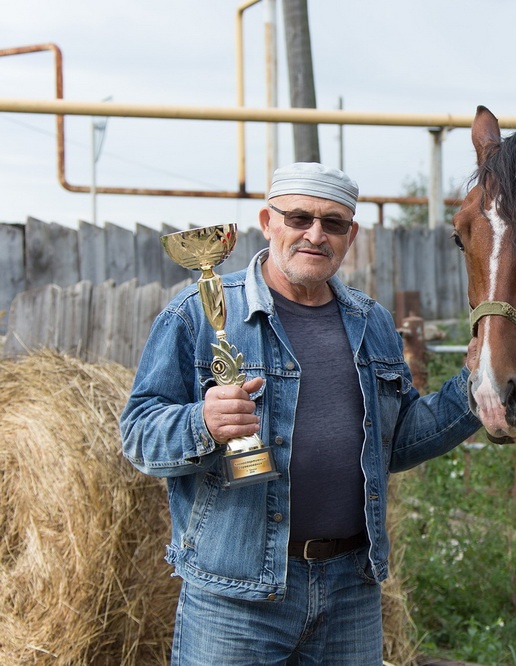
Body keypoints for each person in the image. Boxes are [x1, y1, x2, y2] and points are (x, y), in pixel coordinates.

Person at [120, 162, 481, 665]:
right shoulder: (197, 315)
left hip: (350, 589)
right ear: (268, 222)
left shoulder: (371, 321)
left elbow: (395, 444)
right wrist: (201, 424)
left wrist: (473, 389)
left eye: (333, 223)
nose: (315, 234)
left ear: (350, 235)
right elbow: (137, 434)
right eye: (299, 218)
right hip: (236, 596)